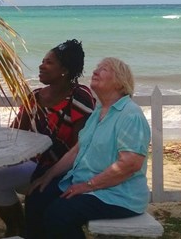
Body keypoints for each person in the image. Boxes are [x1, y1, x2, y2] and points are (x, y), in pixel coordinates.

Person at [0, 39, 95, 238]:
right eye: (42, 61)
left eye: (49, 62)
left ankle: (20, 229)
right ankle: (17, 227)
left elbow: (83, 145)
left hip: (61, 169)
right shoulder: (34, 97)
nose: (41, 65)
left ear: (64, 70)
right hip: (31, 161)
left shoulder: (79, 96)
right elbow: (14, 133)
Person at [24, 57, 151, 239]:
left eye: (104, 69)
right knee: (37, 195)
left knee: (59, 215)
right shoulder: (99, 112)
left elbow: (129, 164)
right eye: (97, 67)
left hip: (117, 195)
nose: (95, 71)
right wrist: (48, 175)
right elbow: (76, 150)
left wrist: (87, 186)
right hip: (88, 184)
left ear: (120, 82)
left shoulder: (130, 115)